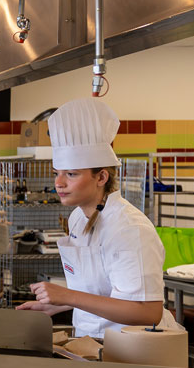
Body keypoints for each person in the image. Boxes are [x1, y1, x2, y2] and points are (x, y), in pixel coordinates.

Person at [16, 99, 182, 338]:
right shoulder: (77, 218)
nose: (59, 183)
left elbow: (148, 312)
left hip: (133, 348)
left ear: (101, 177)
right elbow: (103, 292)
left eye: (71, 174)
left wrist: (68, 295)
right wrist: (56, 305)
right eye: (57, 173)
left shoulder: (130, 228)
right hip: (91, 342)